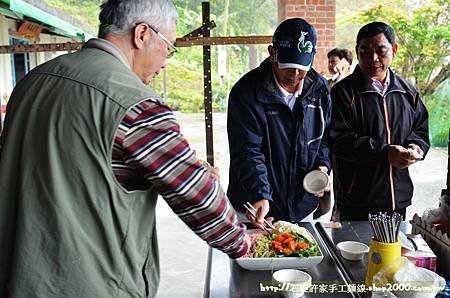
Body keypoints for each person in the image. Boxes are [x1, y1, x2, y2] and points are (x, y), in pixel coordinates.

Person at [0, 0, 249, 297]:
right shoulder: (135, 103)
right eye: (168, 47)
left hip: (17, 276)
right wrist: (243, 242)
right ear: (142, 34)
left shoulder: (32, 82)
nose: (166, 61)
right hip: (90, 286)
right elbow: (198, 196)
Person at [227, 18, 332, 227]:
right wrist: (260, 194)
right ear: (272, 52)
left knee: (302, 256)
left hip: (302, 206)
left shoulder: (319, 90)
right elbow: (247, 150)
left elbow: (325, 138)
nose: (295, 75)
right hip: (256, 208)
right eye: (288, 66)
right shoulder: (246, 92)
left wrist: (322, 167)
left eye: (302, 68)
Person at [329, 21, 430, 221]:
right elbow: (339, 140)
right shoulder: (344, 92)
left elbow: (420, 130)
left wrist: (416, 147)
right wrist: (385, 153)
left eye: (381, 50)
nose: (373, 58)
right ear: (357, 52)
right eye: (365, 51)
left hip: (398, 198)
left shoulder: (407, 92)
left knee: (392, 251)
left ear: (394, 50)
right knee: (354, 251)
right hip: (357, 198)